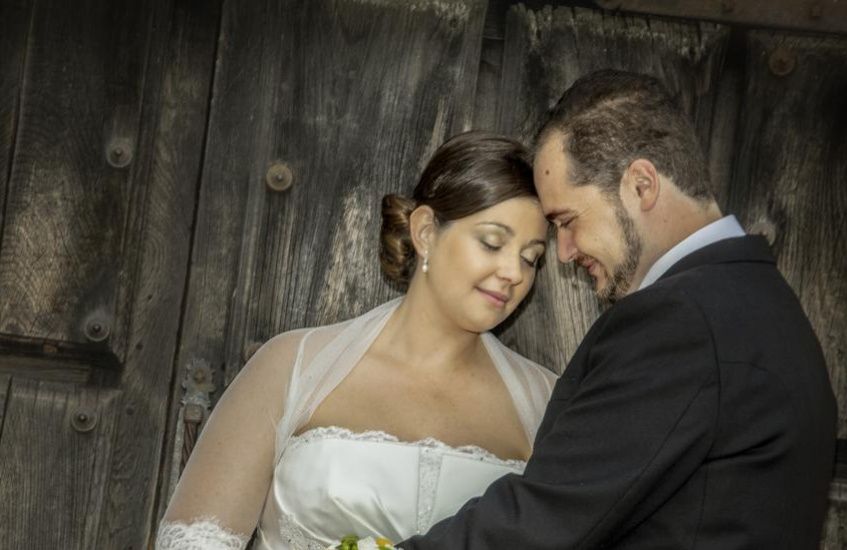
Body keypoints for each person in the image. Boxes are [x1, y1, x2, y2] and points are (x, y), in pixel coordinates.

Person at [399, 70, 838, 549]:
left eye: (567, 221)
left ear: (641, 185)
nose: (563, 252)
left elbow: (541, 523)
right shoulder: (764, 302)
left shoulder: (682, 319)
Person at [155, 131, 557, 549]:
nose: (515, 272)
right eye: (493, 242)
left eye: (532, 258)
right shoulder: (293, 367)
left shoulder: (547, 404)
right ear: (424, 231)